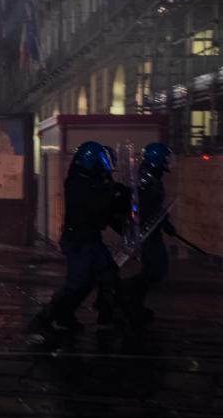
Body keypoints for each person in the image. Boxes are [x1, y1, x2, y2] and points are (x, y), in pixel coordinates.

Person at [29, 141, 132, 337]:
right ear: (92, 163)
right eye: (102, 165)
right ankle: (43, 320)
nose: (105, 170)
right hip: (79, 241)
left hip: (90, 238)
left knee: (108, 274)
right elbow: (96, 205)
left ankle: (106, 316)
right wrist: (114, 192)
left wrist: (120, 204)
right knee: (77, 284)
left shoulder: (90, 182)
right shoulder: (78, 183)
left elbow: (105, 212)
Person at [121, 142, 173, 326]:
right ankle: (123, 296)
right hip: (145, 232)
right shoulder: (145, 179)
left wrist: (164, 222)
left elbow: (154, 207)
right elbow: (142, 206)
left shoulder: (151, 176)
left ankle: (132, 302)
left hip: (151, 230)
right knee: (154, 270)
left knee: (154, 270)